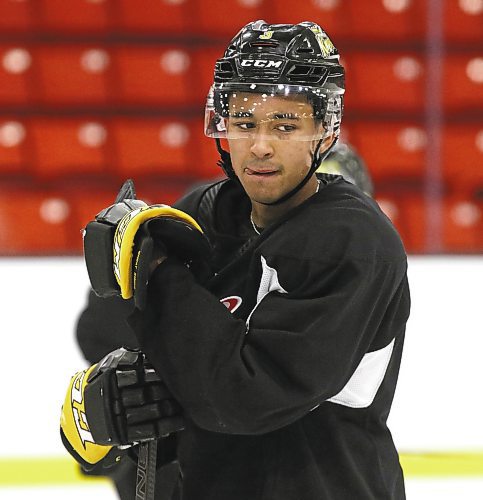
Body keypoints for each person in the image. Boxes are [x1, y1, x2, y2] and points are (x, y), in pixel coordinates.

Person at [62, 20, 410, 500]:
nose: (261, 144)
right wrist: (106, 416)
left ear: (323, 129)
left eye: (285, 125)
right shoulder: (201, 214)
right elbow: (120, 338)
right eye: (245, 122)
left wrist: (159, 275)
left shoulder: (353, 241)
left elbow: (243, 399)